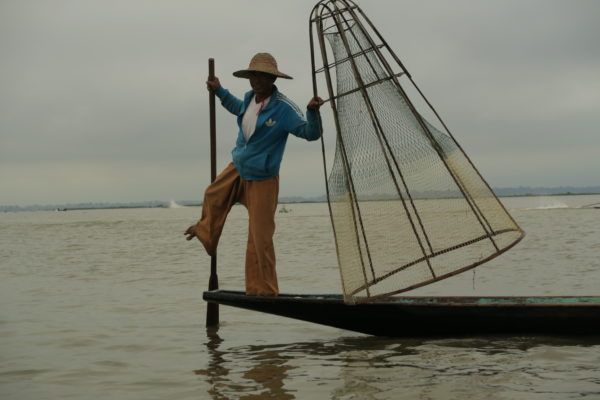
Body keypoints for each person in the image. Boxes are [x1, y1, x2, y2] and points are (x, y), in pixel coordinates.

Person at [185, 52, 324, 296]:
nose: (256, 80)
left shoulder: (283, 108)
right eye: (253, 75)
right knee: (212, 195)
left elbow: (310, 133)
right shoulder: (250, 99)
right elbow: (237, 107)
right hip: (239, 167)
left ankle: (263, 289)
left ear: (272, 79)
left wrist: (312, 111)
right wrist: (219, 90)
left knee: (260, 238)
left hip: (263, 178)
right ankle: (205, 232)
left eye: (262, 76)